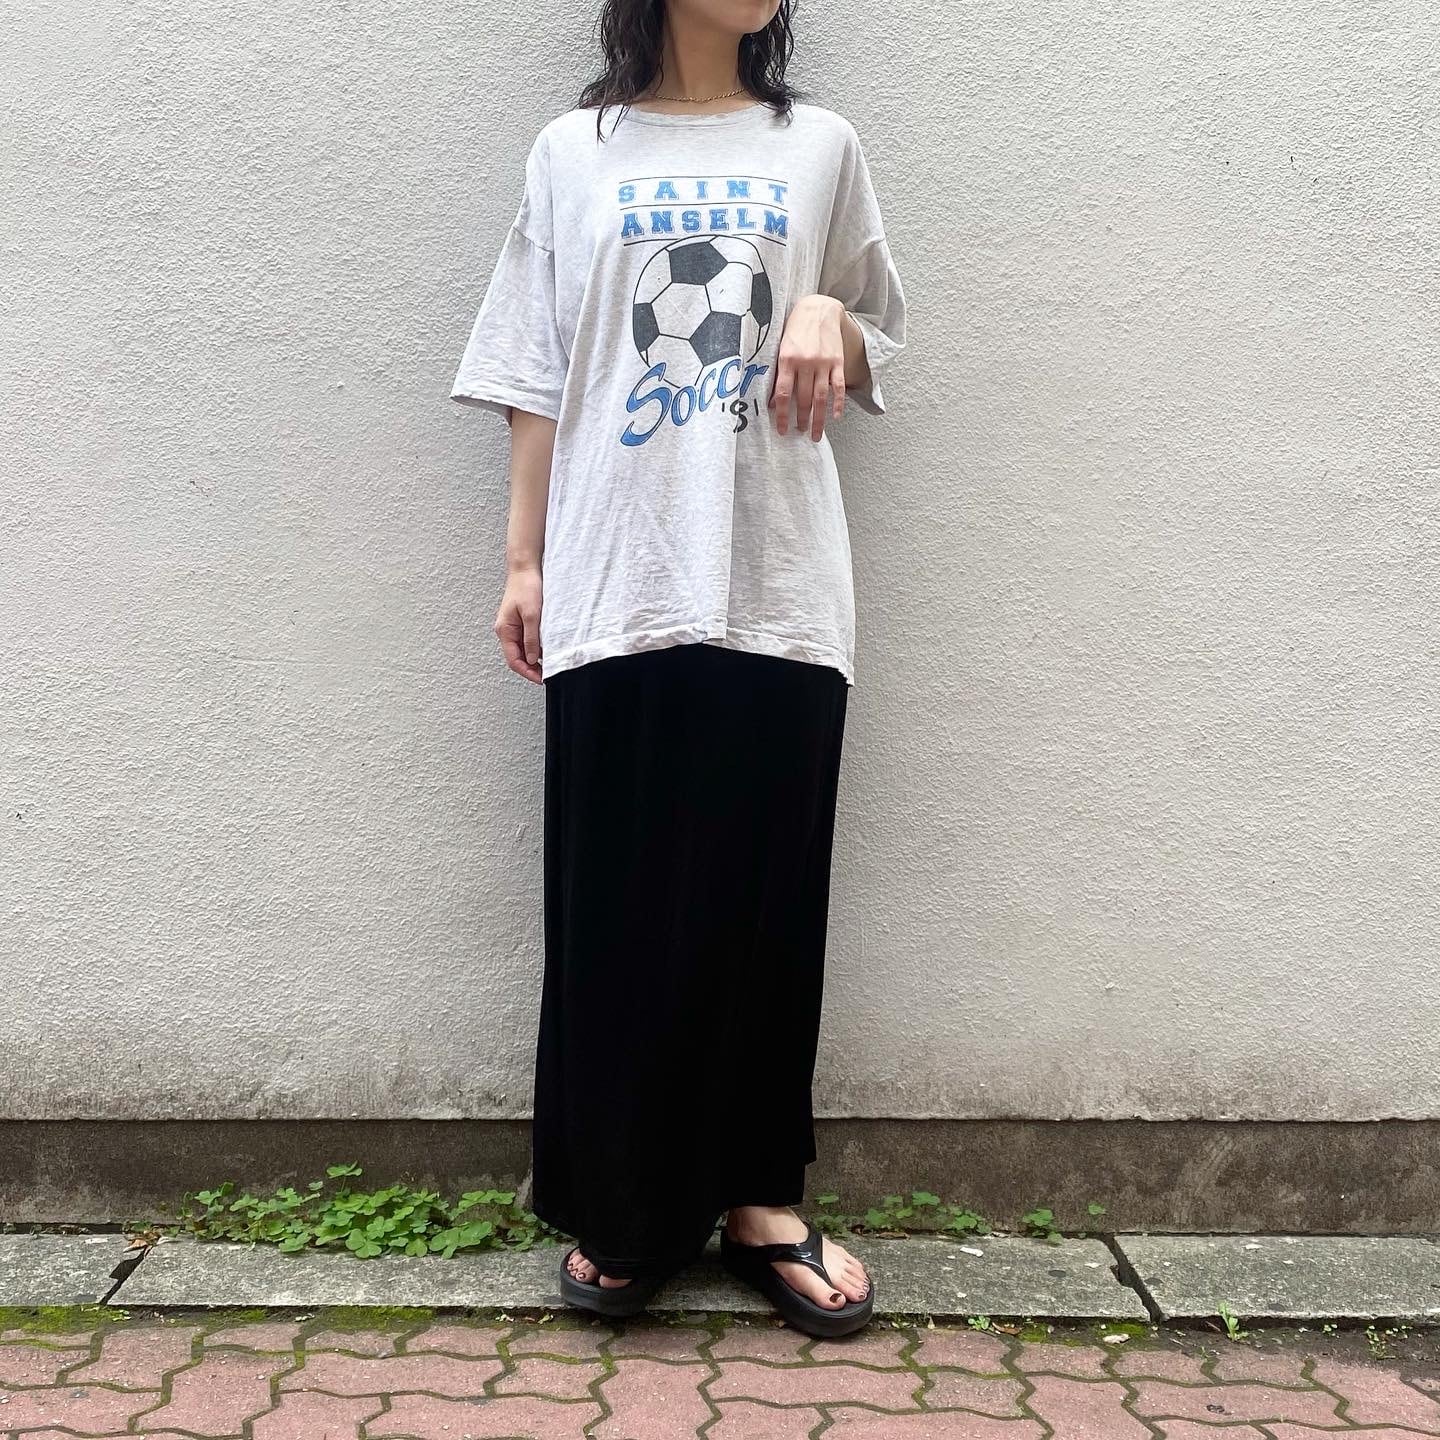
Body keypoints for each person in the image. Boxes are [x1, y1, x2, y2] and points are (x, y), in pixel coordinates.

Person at [449, 0, 906, 1339]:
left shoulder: (819, 146)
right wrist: (524, 560)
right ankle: (627, 1201)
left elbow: (880, 329)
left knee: (768, 901)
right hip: (617, 571)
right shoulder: (571, 152)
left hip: (776, 576)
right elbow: (538, 369)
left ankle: (761, 1199)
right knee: (618, 905)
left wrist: (824, 309)